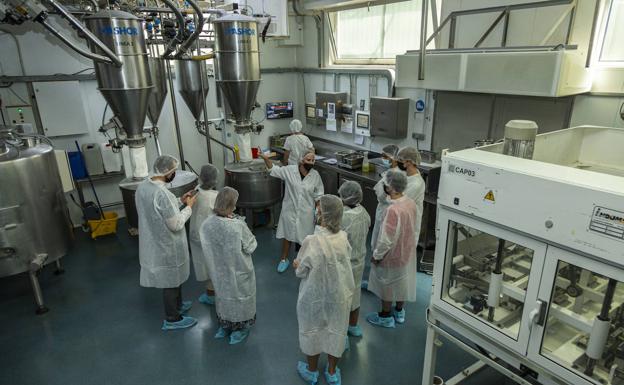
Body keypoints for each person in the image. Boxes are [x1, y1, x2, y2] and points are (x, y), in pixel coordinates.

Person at [294, 195, 354, 385]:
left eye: (318, 209)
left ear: (322, 214)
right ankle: (332, 371)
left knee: (312, 329)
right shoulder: (343, 237)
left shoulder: (312, 241)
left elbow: (301, 270)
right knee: (336, 329)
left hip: (314, 296)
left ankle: (312, 372)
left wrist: (296, 263)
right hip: (339, 295)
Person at [135, 155, 198, 331]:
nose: (175, 174)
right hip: (167, 244)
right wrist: (189, 207)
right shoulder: (161, 193)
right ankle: (172, 318)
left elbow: (161, 210)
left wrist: (180, 200)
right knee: (170, 280)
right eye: (174, 171)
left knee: (174, 277)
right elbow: (176, 224)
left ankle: (178, 305)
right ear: (168, 172)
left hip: (154, 240)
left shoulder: (144, 187)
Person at [200, 187, 258, 345]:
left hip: (219, 272)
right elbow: (251, 246)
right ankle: (241, 329)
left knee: (224, 298)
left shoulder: (207, 224)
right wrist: (237, 222)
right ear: (232, 206)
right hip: (239, 272)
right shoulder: (237, 226)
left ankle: (225, 327)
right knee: (241, 300)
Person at [366, 170, 418, 328]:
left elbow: (386, 239)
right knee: (402, 281)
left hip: (391, 255)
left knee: (387, 285)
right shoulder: (410, 203)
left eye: (385, 185)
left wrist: (377, 255)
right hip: (406, 252)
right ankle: (399, 311)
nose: (384, 187)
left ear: (392, 189)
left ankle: (385, 317)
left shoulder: (393, 210)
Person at [259, 149, 324, 273]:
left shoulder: (315, 175)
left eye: (313, 160)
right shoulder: (290, 170)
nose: (311, 162)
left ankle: (303, 261)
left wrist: (318, 210)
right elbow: (274, 170)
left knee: (306, 238)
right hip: (290, 210)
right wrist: (266, 159)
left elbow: (319, 194)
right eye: (308, 160)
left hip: (306, 212)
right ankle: (284, 259)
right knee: (288, 236)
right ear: (301, 160)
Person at [338, 181, 371, 338]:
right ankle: (353, 325)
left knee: (342, 297)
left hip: (345, 264)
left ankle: (341, 329)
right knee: (356, 293)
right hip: (359, 260)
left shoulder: (343, 217)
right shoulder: (363, 212)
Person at [189, 164, 219, 306]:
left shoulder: (196, 191)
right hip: (210, 237)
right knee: (213, 266)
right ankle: (213, 296)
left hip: (196, 234)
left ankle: (209, 294)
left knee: (203, 265)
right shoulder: (214, 197)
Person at [370, 144, 400, 251]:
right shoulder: (392, 172)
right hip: (384, 210)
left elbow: (382, 196)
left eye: (386, 157)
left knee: (382, 240)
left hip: (386, 211)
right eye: (382, 156)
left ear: (395, 159)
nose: (383, 159)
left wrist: (381, 192)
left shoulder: (395, 175)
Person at [397, 146, 426, 249]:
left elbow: (398, 202)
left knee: (403, 256)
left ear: (408, 162)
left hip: (407, 226)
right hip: (399, 222)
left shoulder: (416, 184)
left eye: (400, 160)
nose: (398, 162)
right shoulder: (406, 175)